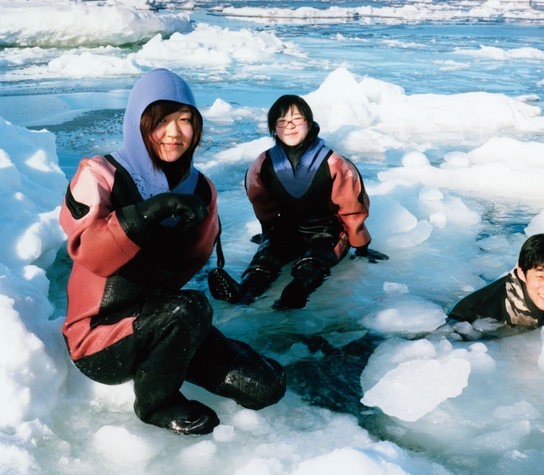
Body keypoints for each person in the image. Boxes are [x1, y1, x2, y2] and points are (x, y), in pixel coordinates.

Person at [60, 68, 286, 435]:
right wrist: (148, 214)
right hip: (99, 340)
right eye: (162, 120)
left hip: (165, 323)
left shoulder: (201, 188)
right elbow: (90, 254)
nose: (174, 133)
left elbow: (189, 264)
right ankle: (155, 404)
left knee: (265, 386)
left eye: (185, 121)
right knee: (189, 306)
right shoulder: (98, 174)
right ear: (138, 123)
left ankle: (175, 351)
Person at [208, 94, 387, 310]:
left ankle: (297, 290)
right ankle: (242, 292)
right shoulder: (263, 163)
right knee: (265, 259)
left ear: (309, 123)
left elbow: (352, 209)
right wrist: (268, 235)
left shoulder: (334, 163)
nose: (289, 126)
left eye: (296, 120)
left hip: (328, 231)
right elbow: (262, 205)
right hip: (287, 229)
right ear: (274, 128)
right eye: (282, 121)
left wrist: (361, 246)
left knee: (314, 262)